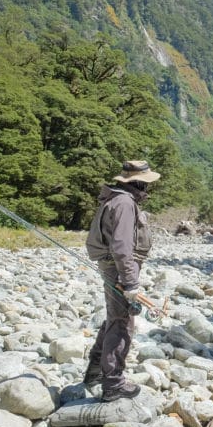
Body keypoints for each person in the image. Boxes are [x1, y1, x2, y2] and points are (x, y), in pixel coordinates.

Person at [83, 160, 160, 401]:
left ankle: (95, 371)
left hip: (112, 267)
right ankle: (113, 384)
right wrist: (130, 283)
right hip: (118, 269)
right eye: (145, 184)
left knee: (113, 318)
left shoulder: (115, 199)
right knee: (121, 323)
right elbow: (122, 246)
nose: (147, 189)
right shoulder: (125, 203)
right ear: (137, 183)